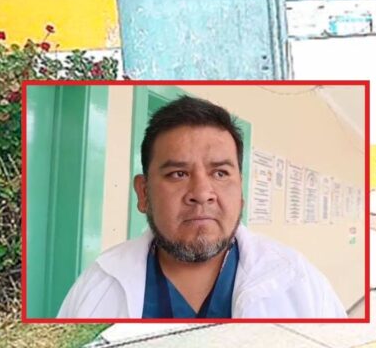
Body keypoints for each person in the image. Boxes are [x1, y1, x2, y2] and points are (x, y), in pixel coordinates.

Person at [58, 95, 346, 318]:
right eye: (178, 174)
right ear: (143, 193)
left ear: (241, 193)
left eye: (220, 173)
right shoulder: (96, 287)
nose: (201, 193)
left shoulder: (302, 285)